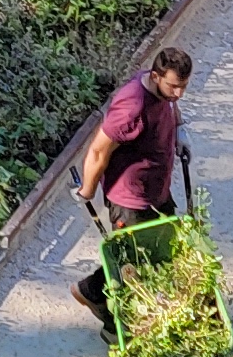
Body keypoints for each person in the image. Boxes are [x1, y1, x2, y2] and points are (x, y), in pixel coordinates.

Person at [70, 45, 193, 325]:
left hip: (156, 190)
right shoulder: (132, 106)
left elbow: (172, 105)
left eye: (183, 87)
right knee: (131, 267)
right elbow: (99, 151)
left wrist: (178, 129)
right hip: (130, 199)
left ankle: (91, 291)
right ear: (156, 75)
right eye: (174, 87)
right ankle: (120, 325)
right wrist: (87, 190)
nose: (178, 94)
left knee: (162, 251)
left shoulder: (163, 90)